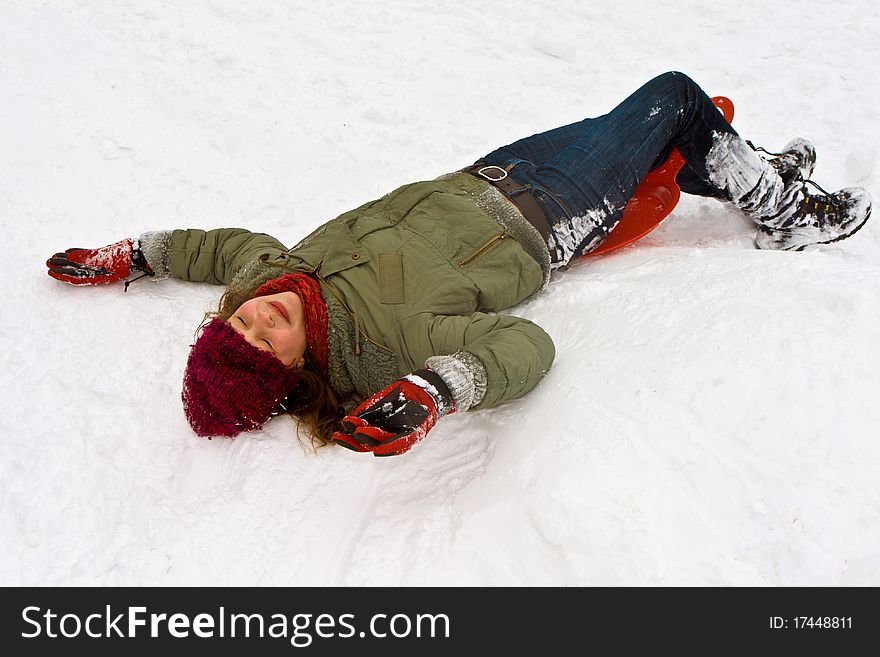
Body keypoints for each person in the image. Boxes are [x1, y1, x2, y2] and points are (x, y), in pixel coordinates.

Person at [45, 72, 872, 457]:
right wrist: (436, 387)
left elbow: (222, 247)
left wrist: (138, 255)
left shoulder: (273, 280)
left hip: (491, 172)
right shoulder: (387, 343)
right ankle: (787, 210)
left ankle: (749, 167)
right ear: (292, 373)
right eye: (266, 342)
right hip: (548, 213)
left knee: (658, 134)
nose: (260, 316)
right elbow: (525, 348)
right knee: (675, 99)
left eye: (241, 320)